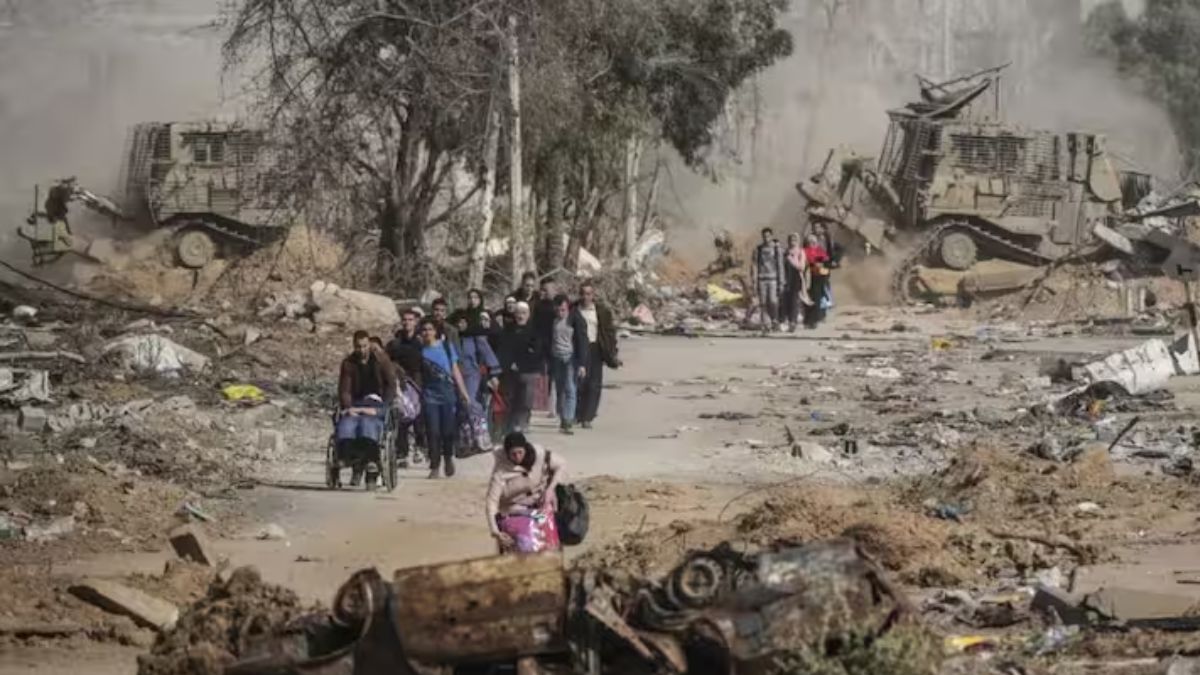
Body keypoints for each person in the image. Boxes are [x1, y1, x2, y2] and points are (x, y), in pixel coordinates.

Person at [486, 432, 567, 554]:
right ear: (507, 454)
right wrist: (495, 531)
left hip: (540, 506)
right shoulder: (501, 471)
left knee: (552, 535)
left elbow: (561, 464)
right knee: (526, 544)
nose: (517, 457)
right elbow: (492, 502)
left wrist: (551, 489)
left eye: (520, 452)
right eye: (513, 454)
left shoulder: (540, 455)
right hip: (514, 511)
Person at [337, 330, 397, 486]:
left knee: (368, 425)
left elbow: (391, 386)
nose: (361, 350)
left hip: (376, 402)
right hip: (356, 403)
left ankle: (371, 462)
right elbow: (344, 389)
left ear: (369, 344)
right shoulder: (348, 363)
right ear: (354, 346)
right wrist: (348, 407)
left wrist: (383, 408)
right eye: (358, 347)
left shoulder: (381, 360)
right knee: (347, 424)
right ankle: (349, 458)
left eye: (364, 346)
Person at [417, 318, 472, 479]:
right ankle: (435, 466)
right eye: (424, 330)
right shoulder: (420, 352)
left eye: (430, 329)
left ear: (436, 331)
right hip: (429, 397)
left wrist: (464, 393)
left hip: (448, 396)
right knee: (433, 432)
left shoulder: (447, 348)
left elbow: (455, 372)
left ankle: (448, 458)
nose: (427, 333)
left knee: (448, 431)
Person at [574, 281, 620, 429]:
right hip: (579, 349)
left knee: (594, 384)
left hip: (595, 348)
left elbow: (609, 332)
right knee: (579, 382)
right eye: (582, 293)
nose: (585, 297)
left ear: (593, 295)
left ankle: (588, 416)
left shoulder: (601, 311)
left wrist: (612, 350)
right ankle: (578, 414)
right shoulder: (574, 309)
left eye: (588, 294)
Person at [386, 309, 425, 468]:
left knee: (418, 416)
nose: (407, 322)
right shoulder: (395, 343)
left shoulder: (421, 341)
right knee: (401, 415)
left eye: (410, 319)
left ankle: (420, 447)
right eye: (405, 319)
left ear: (416, 322)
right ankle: (402, 452)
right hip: (400, 382)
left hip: (417, 380)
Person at [498, 301, 543, 433]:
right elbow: (504, 350)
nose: (521, 316)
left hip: (529, 370)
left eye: (524, 313)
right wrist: (509, 363)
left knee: (526, 400)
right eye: (518, 313)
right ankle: (511, 425)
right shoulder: (508, 330)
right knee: (511, 399)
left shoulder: (534, 330)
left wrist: (522, 361)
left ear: (528, 315)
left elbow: (536, 351)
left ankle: (523, 422)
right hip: (511, 371)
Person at [548, 294, 588, 435]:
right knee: (559, 389)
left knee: (570, 388)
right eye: (558, 310)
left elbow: (582, 342)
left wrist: (582, 364)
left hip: (570, 358)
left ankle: (568, 421)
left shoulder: (575, 320)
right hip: (556, 357)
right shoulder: (552, 320)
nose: (561, 313)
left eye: (563, 310)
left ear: (568, 308)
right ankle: (562, 417)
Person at [451, 310, 501, 403]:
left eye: (462, 322)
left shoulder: (475, 337)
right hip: (455, 374)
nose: (460, 325)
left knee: (469, 400)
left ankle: (479, 417)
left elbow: (487, 354)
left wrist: (494, 375)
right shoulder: (452, 339)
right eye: (457, 322)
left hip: (471, 374)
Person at [751, 227, 786, 332]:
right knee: (763, 302)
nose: (766, 238)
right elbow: (755, 265)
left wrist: (781, 281)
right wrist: (754, 280)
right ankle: (766, 323)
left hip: (773, 278)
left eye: (768, 236)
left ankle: (775, 320)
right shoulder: (758, 249)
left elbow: (780, 265)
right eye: (764, 236)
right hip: (762, 278)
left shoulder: (776, 249)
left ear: (771, 236)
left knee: (773, 301)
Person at [782, 233, 811, 333]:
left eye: (794, 239)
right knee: (786, 301)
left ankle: (793, 322)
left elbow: (801, 267)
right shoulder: (785, 252)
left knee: (794, 301)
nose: (792, 241)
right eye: (791, 239)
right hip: (786, 278)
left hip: (796, 278)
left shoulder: (800, 252)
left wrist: (791, 259)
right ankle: (787, 320)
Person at [803, 234, 831, 329]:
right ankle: (808, 320)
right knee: (808, 300)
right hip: (808, 278)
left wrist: (825, 275)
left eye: (814, 242)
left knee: (817, 299)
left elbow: (826, 262)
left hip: (819, 278)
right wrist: (815, 262)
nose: (812, 244)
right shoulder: (805, 251)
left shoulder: (820, 251)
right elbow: (808, 262)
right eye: (810, 242)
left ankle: (815, 320)